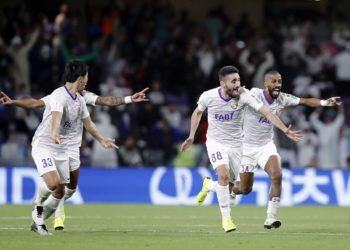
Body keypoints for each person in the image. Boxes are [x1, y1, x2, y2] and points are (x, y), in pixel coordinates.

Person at [199, 70, 341, 229]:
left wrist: (324, 102)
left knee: (277, 174)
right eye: (273, 81)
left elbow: (305, 101)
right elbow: (235, 93)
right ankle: (210, 185)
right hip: (245, 148)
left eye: (279, 82)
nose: (277, 85)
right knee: (244, 189)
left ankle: (271, 218)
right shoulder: (253, 94)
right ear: (265, 83)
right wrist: (236, 88)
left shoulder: (283, 98)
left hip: (265, 146)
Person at [0, 88, 148, 231]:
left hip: (73, 148)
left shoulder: (83, 96)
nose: (85, 82)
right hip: (56, 144)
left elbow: (106, 101)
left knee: (71, 189)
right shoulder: (57, 96)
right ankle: (45, 213)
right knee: (57, 186)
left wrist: (129, 99)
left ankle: (50, 209)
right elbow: (36, 103)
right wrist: (13, 102)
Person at [180, 66, 301, 233]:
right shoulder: (208, 96)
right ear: (223, 83)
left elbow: (267, 112)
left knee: (233, 187)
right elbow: (197, 113)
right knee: (223, 176)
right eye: (234, 81)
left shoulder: (245, 96)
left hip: (237, 145)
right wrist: (192, 135)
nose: (238, 84)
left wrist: (284, 129)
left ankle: (208, 185)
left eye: (239, 80)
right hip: (215, 142)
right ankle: (227, 220)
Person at [23, 60, 117, 235]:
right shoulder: (59, 95)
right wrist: (54, 133)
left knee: (63, 191)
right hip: (46, 143)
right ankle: (37, 203)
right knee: (54, 184)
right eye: (86, 76)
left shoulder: (80, 100)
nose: (88, 79)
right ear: (81, 78)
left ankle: (38, 223)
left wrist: (102, 140)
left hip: (65, 147)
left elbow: (88, 124)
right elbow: (56, 116)